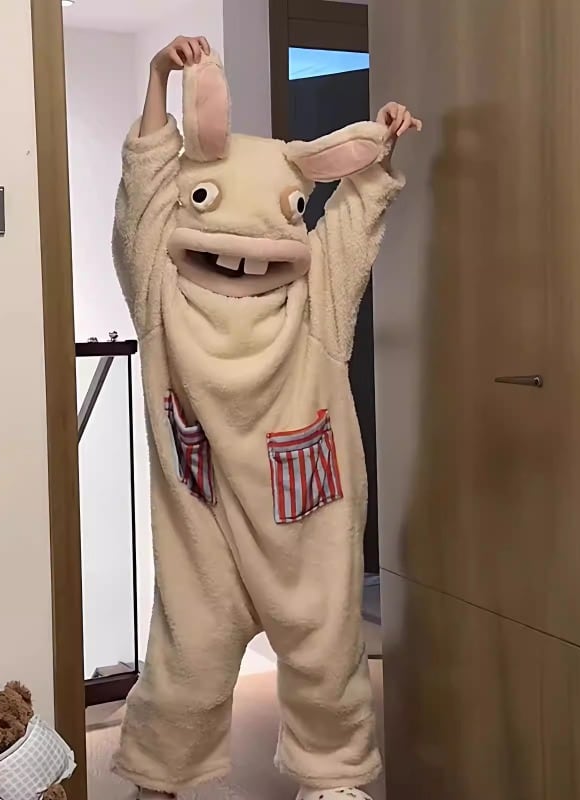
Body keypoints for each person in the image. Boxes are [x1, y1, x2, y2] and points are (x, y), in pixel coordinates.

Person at [112, 34, 420, 800]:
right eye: (205, 204)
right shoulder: (159, 296)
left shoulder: (316, 302)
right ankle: (161, 780)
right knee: (186, 662)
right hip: (203, 531)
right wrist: (157, 77)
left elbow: (351, 225)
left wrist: (378, 153)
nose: (246, 245)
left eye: (284, 215)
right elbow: (143, 191)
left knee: (326, 656)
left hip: (306, 529)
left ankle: (335, 778)